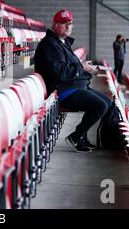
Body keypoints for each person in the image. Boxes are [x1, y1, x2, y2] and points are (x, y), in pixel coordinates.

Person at [34, 9, 112, 153]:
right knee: (100, 105)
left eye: (70, 23)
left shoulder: (62, 42)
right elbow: (60, 72)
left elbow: (70, 67)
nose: (68, 27)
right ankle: (76, 137)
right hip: (62, 90)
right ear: (55, 24)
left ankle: (84, 138)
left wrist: (84, 67)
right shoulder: (49, 45)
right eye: (64, 23)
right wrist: (80, 67)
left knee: (108, 103)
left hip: (74, 85)